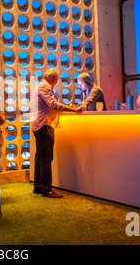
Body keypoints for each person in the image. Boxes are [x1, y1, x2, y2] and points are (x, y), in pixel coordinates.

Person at [32, 69, 84, 198]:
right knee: (46, 158)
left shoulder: (41, 85)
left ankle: (38, 187)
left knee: (40, 156)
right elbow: (53, 104)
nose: (57, 81)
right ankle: (47, 190)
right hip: (44, 124)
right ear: (53, 78)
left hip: (39, 124)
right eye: (57, 79)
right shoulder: (45, 86)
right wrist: (74, 109)